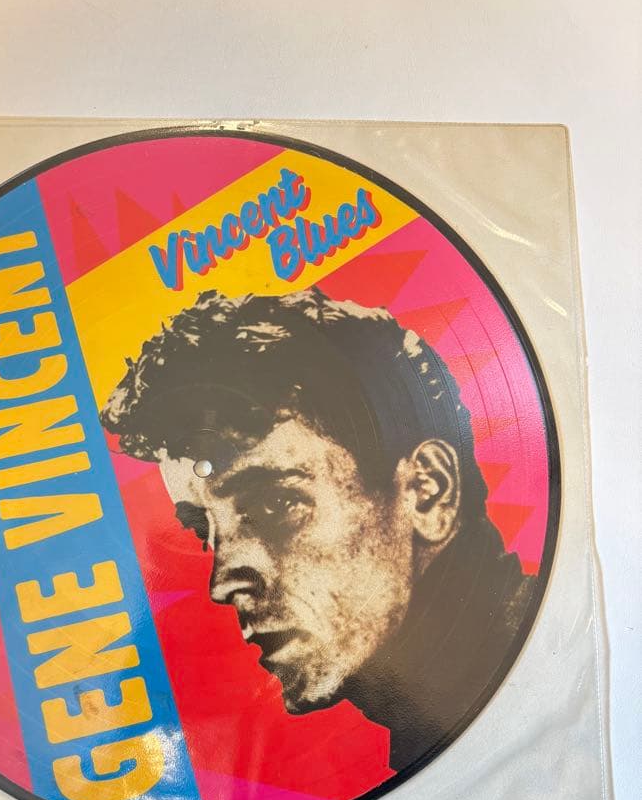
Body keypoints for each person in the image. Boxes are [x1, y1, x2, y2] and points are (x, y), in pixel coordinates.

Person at [101, 287, 535, 772]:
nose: (222, 583)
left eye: (275, 504)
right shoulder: (456, 726)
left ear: (427, 490)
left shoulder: (542, 704)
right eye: (205, 531)